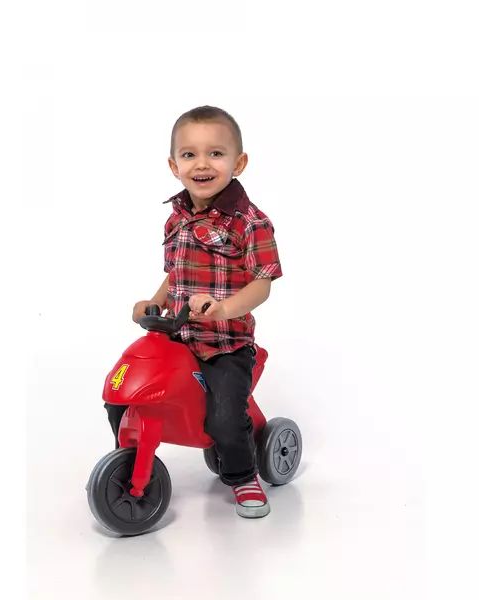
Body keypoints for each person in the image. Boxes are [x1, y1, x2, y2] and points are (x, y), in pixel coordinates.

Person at [107, 105, 282, 518]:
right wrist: (154, 302)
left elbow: (262, 284)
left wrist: (224, 309)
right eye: (189, 154)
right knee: (121, 390)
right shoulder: (177, 219)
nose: (202, 164)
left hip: (225, 344)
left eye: (216, 153)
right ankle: (130, 460)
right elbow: (176, 275)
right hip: (178, 336)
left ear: (239, 162)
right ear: (174, 166)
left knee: (224, 418)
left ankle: (242, 476)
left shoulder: (250, 222)